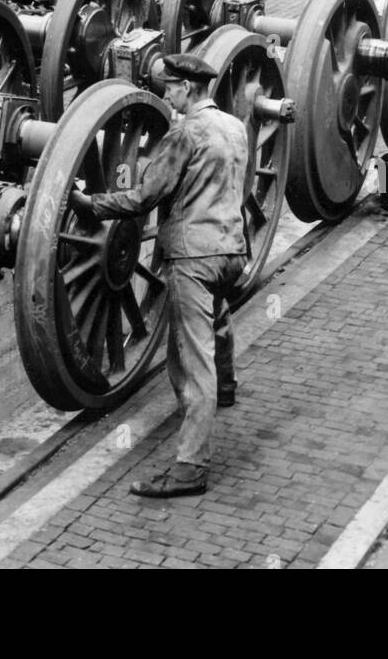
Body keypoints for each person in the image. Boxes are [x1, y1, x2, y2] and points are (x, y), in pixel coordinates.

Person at [71, 53, 249, 498]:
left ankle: (190, 468)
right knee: (217, 316)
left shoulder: (185, 133)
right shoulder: (236, 127)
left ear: (188, 88)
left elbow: (143, 198)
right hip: (231, 251)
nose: (166, 97)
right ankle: (226, 388)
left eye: (169, 88)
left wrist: (92, 204)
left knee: (191, 363)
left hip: (193, 258)